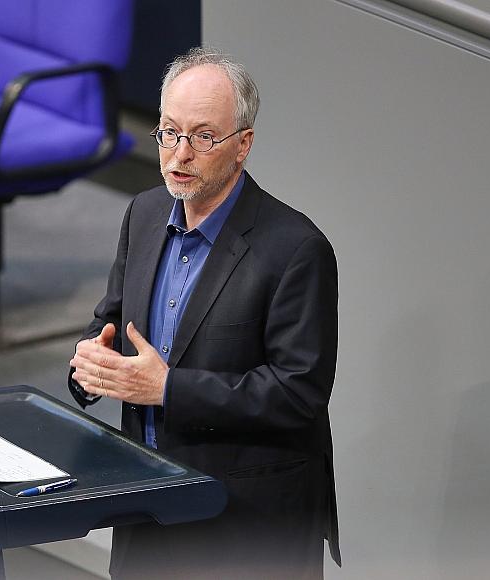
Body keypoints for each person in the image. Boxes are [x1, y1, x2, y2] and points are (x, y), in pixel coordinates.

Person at [69, 46, 340, 579]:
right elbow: (111, 322)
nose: (179, 155)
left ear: (243, 145)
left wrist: (168, 389)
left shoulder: (296, 250)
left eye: (202, 137)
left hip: (246, 525)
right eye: (169, 133)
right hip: (147, 505)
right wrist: (91, 365)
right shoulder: (144, 213)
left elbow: (298, 393)